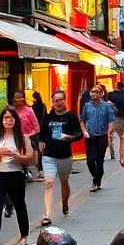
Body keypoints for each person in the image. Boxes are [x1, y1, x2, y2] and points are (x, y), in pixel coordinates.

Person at [0, 107, 32, 242]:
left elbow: (29, 158)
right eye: (5, 118)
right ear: (2, 120)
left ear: (16, 120)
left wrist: (17, 156)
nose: (8, 120)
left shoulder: (22, 137)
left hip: (16, 175)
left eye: (11, 117)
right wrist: (0, 153)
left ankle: (24, 235)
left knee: (19, 205)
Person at [37, 89, 82, 225]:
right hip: (49, 155)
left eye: (61, 99)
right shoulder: (48, 117)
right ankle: (48, 215)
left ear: (64, 100)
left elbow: (79, 134)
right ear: (52, 102)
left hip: (65, 156)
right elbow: (42, 133)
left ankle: (65, 202)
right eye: (56, 100)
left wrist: (69, 137)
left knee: (64, 181)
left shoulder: (71, 117)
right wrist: (40, 142)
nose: (58, 102)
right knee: (49, 182)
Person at [80, 84, 115, 191]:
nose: (94, 95)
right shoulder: (87, 106)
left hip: (102, 135)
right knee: (90, 160)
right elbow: (82, 120)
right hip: (90, 135)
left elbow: (111, 121)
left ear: (101, 94)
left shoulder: (106, 106)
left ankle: (97, 180)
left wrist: (109, 134)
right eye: (93, 92)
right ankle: (95, 178)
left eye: (97, 92)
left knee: (99, 160)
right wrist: (84, 131)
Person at [12, 89, 42, 185]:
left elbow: (35, 124)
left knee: (28, 157)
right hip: (17, 137)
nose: (19, 99)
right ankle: (23, 174)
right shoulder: (12, 110)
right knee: (19, 156)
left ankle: (33, 173)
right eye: (17, 97)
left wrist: (37, 137)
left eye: (21, 97)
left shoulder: (29, 110)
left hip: (29, 136)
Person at [108, 81, 124, 159]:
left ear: (116, 86)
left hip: (114, 118)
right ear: (123, 87)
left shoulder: (111, 94)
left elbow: (108, 104)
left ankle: (112, 153)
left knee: (110, 135)